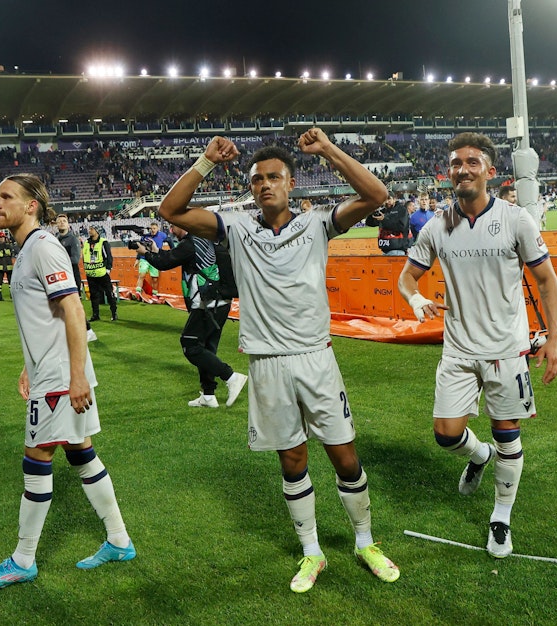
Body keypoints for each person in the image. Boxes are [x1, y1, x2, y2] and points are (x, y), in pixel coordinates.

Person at [159, 129, 399, 593]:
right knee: (292, 461)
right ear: (250, 188)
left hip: (315, 358)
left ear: (291, 183)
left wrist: (328, 149)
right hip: (267, 363)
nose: (265, 185)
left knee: (344, 457)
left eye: (274, 177)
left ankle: (365, 541)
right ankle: (312, 552)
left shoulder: (317, 223)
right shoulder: (236, 227)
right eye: (256, 180)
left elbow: (376, 194)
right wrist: (206, 161)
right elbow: (169, 211)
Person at [397, 132, 557, 559]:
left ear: (490, 171)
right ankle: (478, 454)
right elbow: (406, 277)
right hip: (457, 350)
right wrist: (415, 298)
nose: (463, 169)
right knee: (445, 435)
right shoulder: (437, 224)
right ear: (447, 172)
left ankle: (501, 518)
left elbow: (546, 279)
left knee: (509, 435)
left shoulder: (516, 219)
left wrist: (554, 337)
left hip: (505, 351)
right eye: (456, 163)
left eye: (472, 162)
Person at [0, 173, 135, 590]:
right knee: (81, 453)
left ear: (31, 206)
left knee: (36, 459)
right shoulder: (28, 248)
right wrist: (31, 365)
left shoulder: (42, 248)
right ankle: (118, 539)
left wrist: (76, 376)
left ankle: (23, 559)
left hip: (61, 379)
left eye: (5, 197)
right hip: (51, 372)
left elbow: (73, 310)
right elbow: (47, 318)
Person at [135, 225, 248, 408]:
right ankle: (208, 395)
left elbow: (166, 262)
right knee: (207, 349)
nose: (171, 229)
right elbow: (172, 257)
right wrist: (156, 251)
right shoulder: (205, 239)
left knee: (190, 344)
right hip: (219, 301)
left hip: (207, 304)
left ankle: (231, 376)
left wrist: (145, 254)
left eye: (173, 225)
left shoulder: (191, 243)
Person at [56, 213, 96, 342]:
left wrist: (57, 261)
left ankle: (88, 330)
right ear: (56, 224)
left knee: (75, 305)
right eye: (59, 221)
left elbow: (75, 259)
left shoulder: (73, 239)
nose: (62, 223)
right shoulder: (56, 240)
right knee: (61, 306)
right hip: (59, 277)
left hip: (72, 275)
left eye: (64, 221)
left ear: (68, 224)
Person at [82, 226, 118, 322]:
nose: (90, 231)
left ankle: (114, 313)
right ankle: (95, 315)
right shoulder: (86, 242)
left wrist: (108, 269)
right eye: (89, 229)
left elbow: (109, 256)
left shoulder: (103, 242)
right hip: (90, 274)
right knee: (93, 295)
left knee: (109, 293)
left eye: (92, 229)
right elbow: (84, 256)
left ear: (97, 231)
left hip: (102, 273)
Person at [134, 221, 169, 296]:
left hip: (155, 259)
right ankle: (137, 292)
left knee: (155, 278)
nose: (152, 230)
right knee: (142, 275)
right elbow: (140, 247)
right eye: (151, 228)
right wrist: (137, 259)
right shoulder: (145, 236)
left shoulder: (162, 235)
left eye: (154, 228)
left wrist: (173, 250)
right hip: (144, 258)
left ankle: (154, 294)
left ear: (158, 228)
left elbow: (170, 241)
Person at [0, 231, 16, 301]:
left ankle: (12, 294)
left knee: (10, 282)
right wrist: (5, 253)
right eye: (0, 238)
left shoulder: (8, 245)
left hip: (8, 266)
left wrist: (3, 253)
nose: (2, 239)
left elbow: (11, 253)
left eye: (3, 237)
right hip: (0, 267)